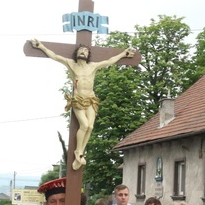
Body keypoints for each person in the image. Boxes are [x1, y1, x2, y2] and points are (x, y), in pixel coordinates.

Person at [30, 39, 135, 170]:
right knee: (84, 125)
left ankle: (80, 153)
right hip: (78, 99)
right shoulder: (71, 64)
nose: (83, 52)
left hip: (91, 99)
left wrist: (123, 53)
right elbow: (55, 56)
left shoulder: (93, 66)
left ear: (88, 55)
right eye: (81, 50)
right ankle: (78, 153)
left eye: (85, 51)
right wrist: (41, 46)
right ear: (77, 53)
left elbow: (109, 61)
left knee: (90, 127)